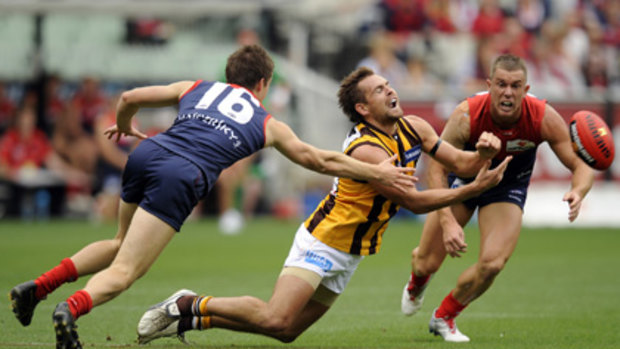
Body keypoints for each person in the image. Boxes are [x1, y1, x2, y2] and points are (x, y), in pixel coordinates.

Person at [8, 45, 417, 349]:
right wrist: (375, 171)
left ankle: (38, 288)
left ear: (228, 74)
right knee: (126, 271)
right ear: (263, 84)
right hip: (181, 173)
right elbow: (318, 159)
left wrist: (125, 128)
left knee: (118, 243)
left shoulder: (196, 87)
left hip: (147, 153)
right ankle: (72, 309)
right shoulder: (266, 120)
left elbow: (129, 99)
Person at [134, 66, 512, 345]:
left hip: (353, 251)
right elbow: (412, 201)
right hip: (325, 240)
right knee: (274, 315)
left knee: (286, 331)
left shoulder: (415, 126)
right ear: (364, 109)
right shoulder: (367, 149)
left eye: (387, 85)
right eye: (380, 90)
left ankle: (192, 318)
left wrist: (480, 155)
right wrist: (470, 190)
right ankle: (189, 302)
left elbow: (459, 164)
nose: (390, 90)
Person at [399, 54, 594, 342]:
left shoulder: (542, 116)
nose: (507, 92)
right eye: (501, 84)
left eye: (516, 86)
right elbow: (436, 168)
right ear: (489, 86)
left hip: (507, 187)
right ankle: (417, 281)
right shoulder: (466, 115)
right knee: (427, 262)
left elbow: (581, 165)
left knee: (492, 264)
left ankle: (445, 316)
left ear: (526, 90)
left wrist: (579, 191)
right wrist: (448, 221)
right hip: (461, 181)